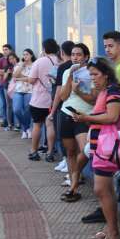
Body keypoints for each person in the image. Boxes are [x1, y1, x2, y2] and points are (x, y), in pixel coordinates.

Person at [82, 31, 120, 226]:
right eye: (105, 46)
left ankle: (112, 226)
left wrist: (115, 103)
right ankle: (108, 221)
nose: (107, 49)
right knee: (104, 186)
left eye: (111, 46)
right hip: (107, 137)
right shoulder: (109, 80)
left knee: (106, 184)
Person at [71, 57, 120, 239]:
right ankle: (111, 229)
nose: (92, 78)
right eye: (90, 74)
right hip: (100, 146)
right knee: (106, 189)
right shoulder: (104, 91)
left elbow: (112, 116)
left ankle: (114, 231)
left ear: (106, 74)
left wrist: (86, 117)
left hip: (106, 148)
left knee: (101, 189)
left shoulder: (112, 91)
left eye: (95, 74)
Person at [58, 43, 94, 202]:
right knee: (70, 152)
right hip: (67, 114)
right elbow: (63, 97)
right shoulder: (67, 72)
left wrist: (78, 90)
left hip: (84, 116)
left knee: (85, 150)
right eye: (73, 54)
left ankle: (81, 178)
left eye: (78, 54)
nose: (75, 57)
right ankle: (74, 184)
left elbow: (93, 99)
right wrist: (70, 78)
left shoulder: (91, 73)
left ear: (86, 56)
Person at [27, 38, 59, 161]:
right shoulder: (60, 61)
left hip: (38, 100)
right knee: (50, 125)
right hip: (54, 100)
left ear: (44, 49)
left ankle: (34, 151)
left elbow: (31, 80)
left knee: (37, 125)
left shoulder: (39, 61)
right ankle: (50, 153)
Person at [48, 40, 75, 173]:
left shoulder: (63, 67)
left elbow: (59, 91)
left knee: (62, 135)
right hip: (74, 105)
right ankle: (67, 162)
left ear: (62, 52)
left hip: (63, 106)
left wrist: (52, 111)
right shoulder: (76, 66)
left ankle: (66, 160)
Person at [12, 48, 35, 139]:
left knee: (27, 110)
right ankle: (26, 128)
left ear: (31, 55)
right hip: (18, 90)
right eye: (24, 54)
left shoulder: (34, 65)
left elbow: (31, 79)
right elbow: (14, 76)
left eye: (27, 54)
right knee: (16, 110)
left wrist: (19, 78)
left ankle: (25, 130)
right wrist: (22, 66)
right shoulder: (19, 65)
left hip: (30, 91)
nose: (25, 56)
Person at [0, 44, 14, 128]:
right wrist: (6, 71)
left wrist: (4, 71)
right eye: (3, 50)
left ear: (10, 50)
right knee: (3, 104)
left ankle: (10, 122)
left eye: (6, 49)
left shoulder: (12, 59)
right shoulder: (1, 60)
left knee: (9, 104)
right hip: (1, 84)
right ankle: (5, 120)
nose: (4, 51)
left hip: (9, 85)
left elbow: (13, 71)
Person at [4, 53, 20, 131]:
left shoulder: (20, 65)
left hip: (17, 88)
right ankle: (9, 124)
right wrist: (7, 73)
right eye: (10, 59)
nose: (11, 60)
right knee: (9, 106)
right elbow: (4, 78)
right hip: (7, 88)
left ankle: (17, 124)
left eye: (13, 58)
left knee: (16, 106)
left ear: (16, 58)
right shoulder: (8, 67)